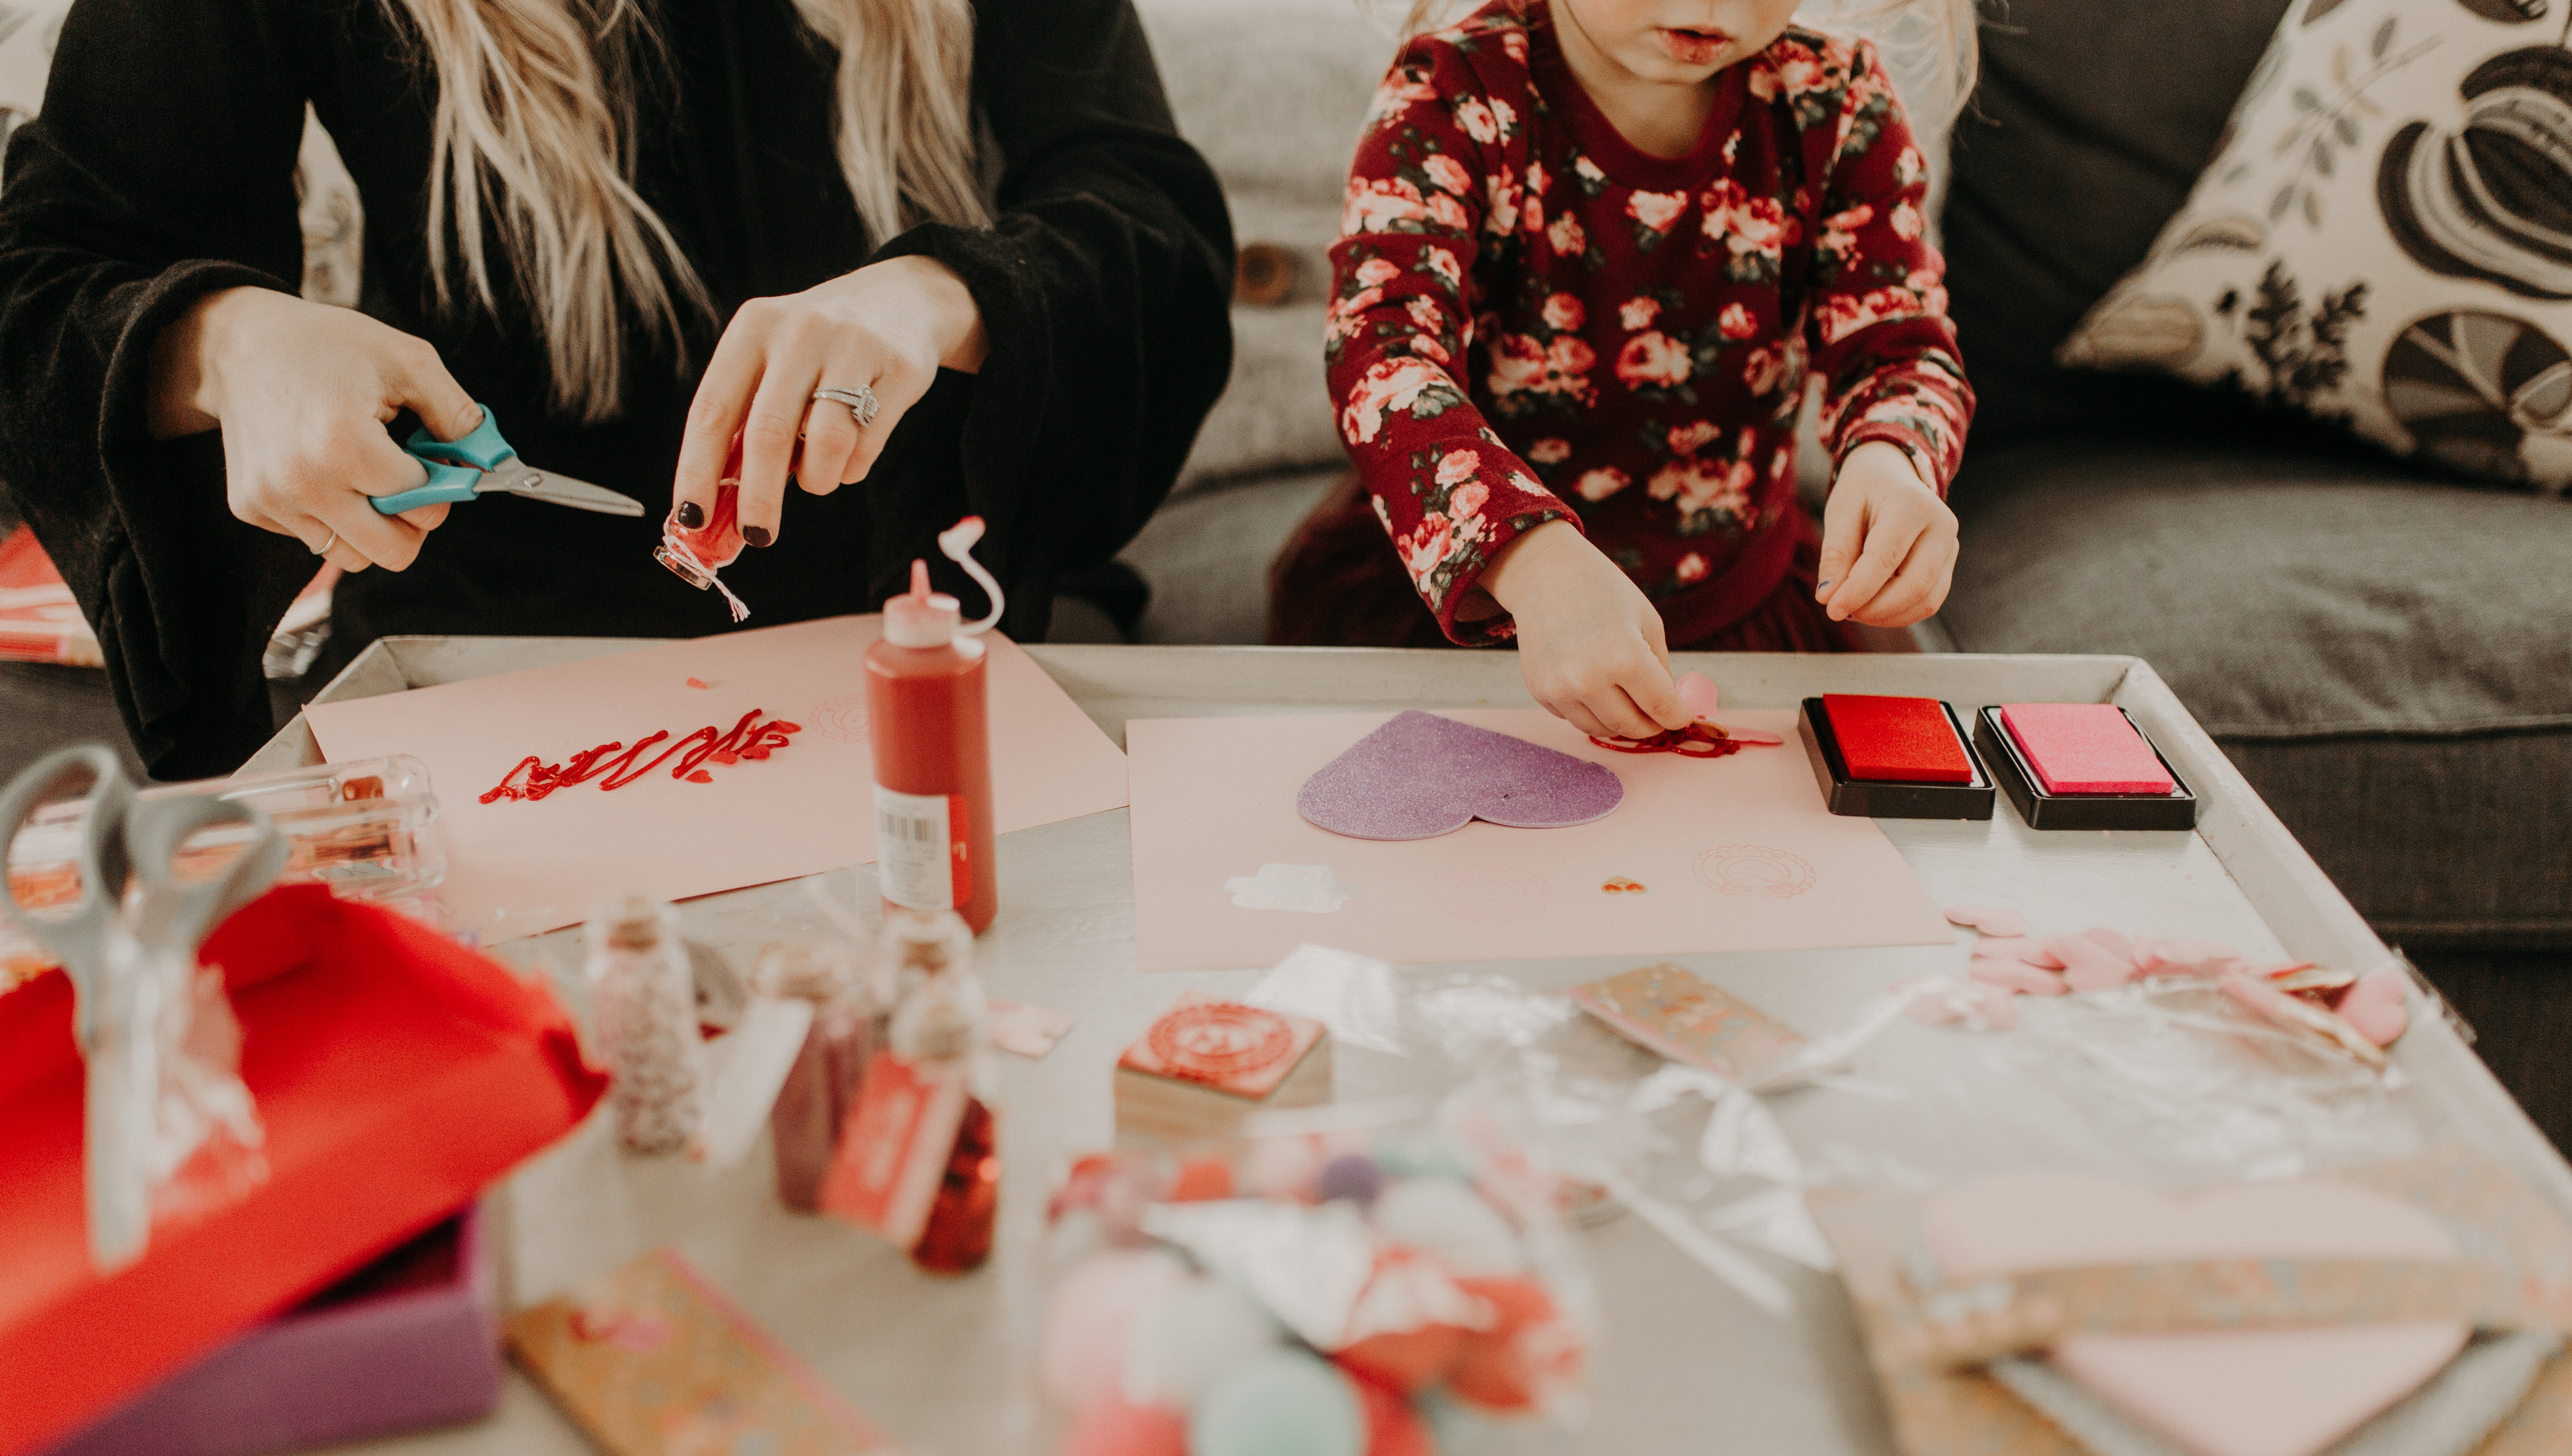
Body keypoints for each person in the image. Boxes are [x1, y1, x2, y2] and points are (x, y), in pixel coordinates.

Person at [0, 0, 1233, 778]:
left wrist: (948, 295)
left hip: (935, 637)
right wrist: (217, 344)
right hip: (469, 682)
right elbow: (46, 279)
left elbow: (1149, 223)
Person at [1274, 0, 1974, 739]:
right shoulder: (1454, 91)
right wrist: (1527, 562)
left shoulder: (1836, 99)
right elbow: (1383, 349)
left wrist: (1892, 461)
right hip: (1468, 607)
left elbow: (1899, 343)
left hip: (1743, 606)